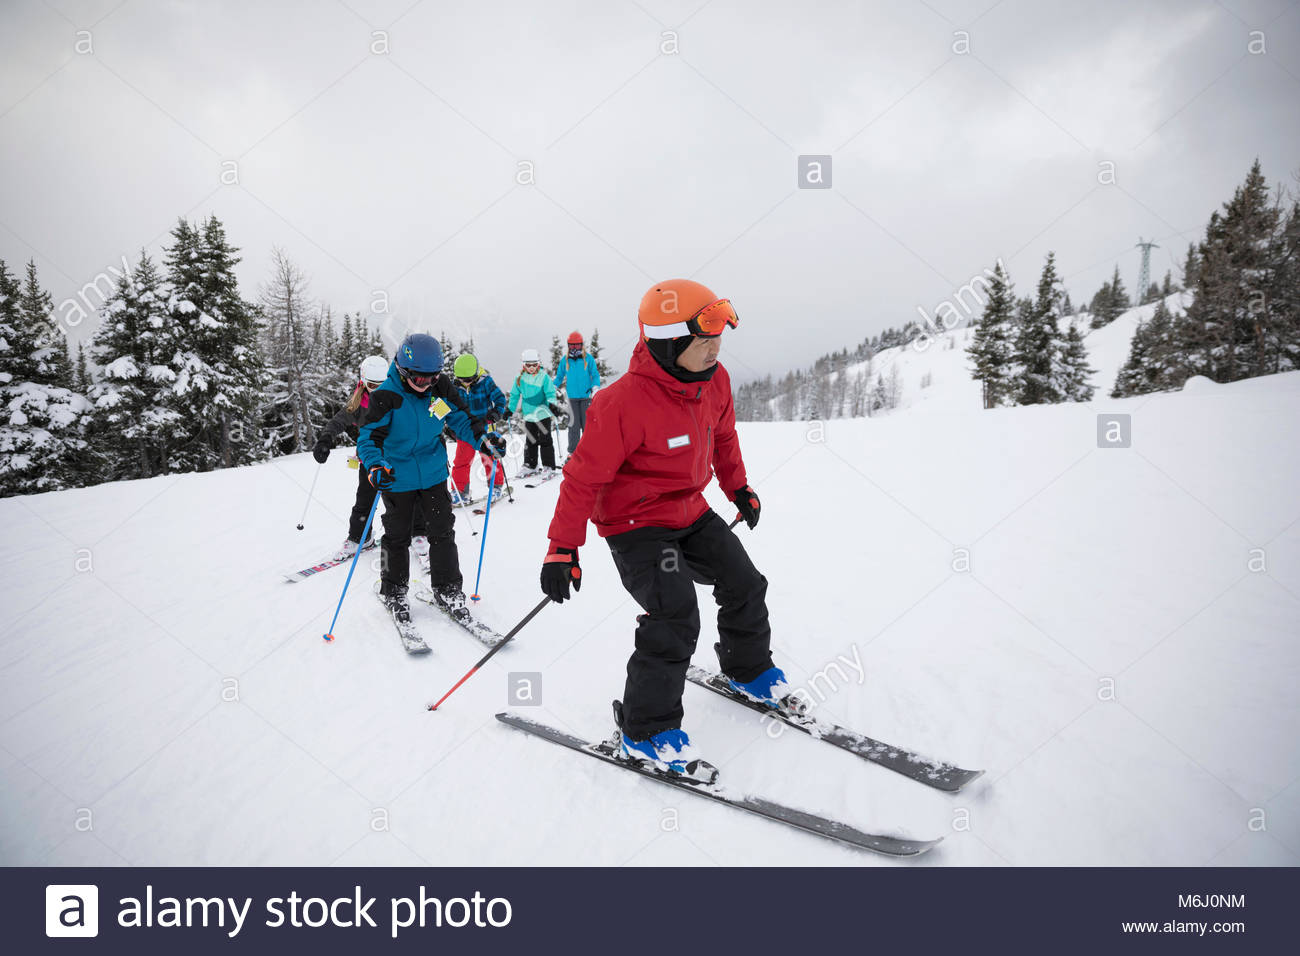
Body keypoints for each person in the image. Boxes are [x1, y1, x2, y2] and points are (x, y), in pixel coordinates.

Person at [538, 279, 787, 773]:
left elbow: (724, 438)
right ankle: (646, 730)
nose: (716, 350)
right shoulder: (621, 403)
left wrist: (738, 488)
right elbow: (582, 479)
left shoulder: (714, 381)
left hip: (689, 510)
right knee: (675, 613)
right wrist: (562, 548)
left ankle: (748, 670)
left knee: (744, 581)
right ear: (668, 343)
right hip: (637, 525)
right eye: (705, 341)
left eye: (720, 339)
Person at [357, 333, 504, 623]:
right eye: (420, 378)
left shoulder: (438, 390)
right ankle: (394, 590)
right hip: (396, 476)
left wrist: (484, 442)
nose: (426, 384)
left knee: (442, 531)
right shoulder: (386, 396)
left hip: (434, 473)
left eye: (432, 377)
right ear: (402, 369)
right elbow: (368, 438)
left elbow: (459, 419)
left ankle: (448, 588)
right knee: (397, 536)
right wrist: (375, 465)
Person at [313, 355, 428, 562]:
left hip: (397, 458)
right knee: (364, 500)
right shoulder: (359, 401)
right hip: (370, 459)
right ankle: (359, 537)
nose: (377, 389)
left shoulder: (398, 396)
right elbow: (338, 421)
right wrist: (325, 440)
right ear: (364, 381)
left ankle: (418, 534)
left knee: (408, 498)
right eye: (372, 385)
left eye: (381, 384)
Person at [448, 352, 509, 505]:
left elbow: (500, 398)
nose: (466, 383)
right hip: (466, 429)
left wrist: (496, 412)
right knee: (462, 461)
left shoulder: (486, 381)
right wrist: (448, 426)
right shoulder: (453, 387)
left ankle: (495, 486)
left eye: (469, 379)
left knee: (489, 456)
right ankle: (460, 491)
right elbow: (448, 407)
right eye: (462, 380)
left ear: (475, 374)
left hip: (485, 427)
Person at [507, 348, 560, 476]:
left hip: (543, 414)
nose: (531, 368)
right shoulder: (520, 378)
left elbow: (550, 392)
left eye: (534, 365)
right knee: (531, 440)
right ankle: (531, 465)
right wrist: (510, 409)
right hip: (529, 415)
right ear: (524, 365)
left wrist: (552, 404)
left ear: (538, 364)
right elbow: (514, 395)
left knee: (545, 439)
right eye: (528, 365)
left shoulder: (543, 377)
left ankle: (548, 466)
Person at [554, 331, 601, 456]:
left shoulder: (588, 359)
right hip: (572, 399)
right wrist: (552, 386)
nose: (574, 348)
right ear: (568, 346)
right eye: (572, 346)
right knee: (573, 426)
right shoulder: (565, 360)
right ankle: (573, 452)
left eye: (577, 345)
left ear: (582, 345)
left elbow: (595, 375)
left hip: (586, 398)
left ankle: (589, 451)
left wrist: (595, 387)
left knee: (587, 426)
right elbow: (559, 377)